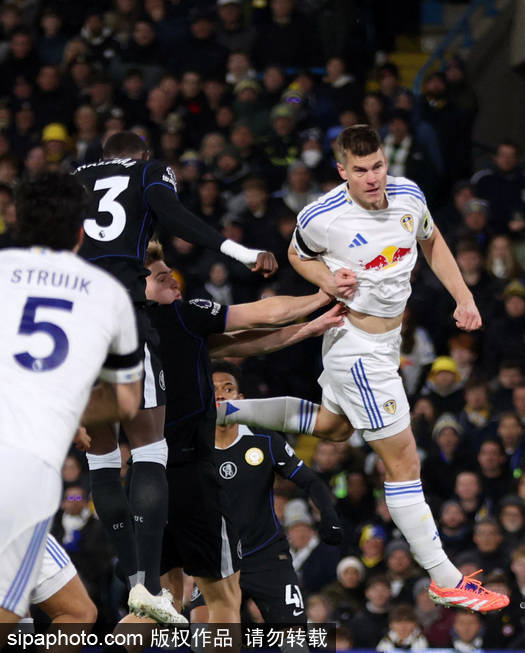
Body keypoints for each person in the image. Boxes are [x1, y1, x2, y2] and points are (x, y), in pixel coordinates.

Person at [218, 125, 508, 612]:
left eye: (377, 166)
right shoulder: (322, 216)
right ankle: (446, 579)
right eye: (360, 170)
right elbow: (296, 254)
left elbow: (432, 240)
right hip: (357, 351)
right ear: (342, 171)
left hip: (385, 342)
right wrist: (328, 279)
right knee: (404, 463)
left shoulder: (409, 195)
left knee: (333, 428)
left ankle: (226, 411)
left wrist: (464, 296)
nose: (372, 178)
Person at [73, 131, 277, 609]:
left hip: (76, 318)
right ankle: (147, 585)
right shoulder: (149, 171)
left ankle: (133, 576)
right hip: (122, 315)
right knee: (149, 449)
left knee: (102, 459)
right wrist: (240, 252)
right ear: (142, 155)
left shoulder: (74, 178)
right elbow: (176, 217)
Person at [130, 241, 347, 628]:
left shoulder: (123, 332)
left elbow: (243, 343)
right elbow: (263, 314)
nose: (174, 282)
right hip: (188, 474)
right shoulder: (183, 315)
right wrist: (320, 296)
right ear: (139, 286)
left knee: (161, 602)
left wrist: (310, 328)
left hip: (145, 478)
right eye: (162, 279)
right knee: (225, 600)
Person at [0, 173, 142, 632]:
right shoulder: (109, 295)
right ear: (81, 233)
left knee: (78, 614)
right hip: (25, 472)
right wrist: (65, 411)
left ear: (16, 221)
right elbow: (126, 402)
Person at [188, 363, 345, 632]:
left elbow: (310, 481)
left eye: (228, 388)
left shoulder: (264, 439)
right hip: (215, 559)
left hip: (268, 557)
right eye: (213, 389)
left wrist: (329, 517)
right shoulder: (190, 447)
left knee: (295, 641)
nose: (220, 394)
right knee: (203, 633)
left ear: (241, 399)